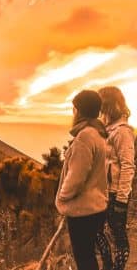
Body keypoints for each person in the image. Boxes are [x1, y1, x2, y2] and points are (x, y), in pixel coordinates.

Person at [56, 90, 109, 270]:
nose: (73, 113)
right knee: (89, 257)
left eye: (74, 109)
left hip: (83, 211)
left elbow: (76, 177)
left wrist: (62, 198)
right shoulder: (98, 133)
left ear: (80, 111)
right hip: (96, 207)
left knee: (84, 260)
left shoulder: (85, 136)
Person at [95, 86, 135, 270]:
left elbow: (128, 166)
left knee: (119, 237)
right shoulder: (107, 129)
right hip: (102, 193)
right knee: (95, 231)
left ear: (110, 105)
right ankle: (108, 266)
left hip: (115, 194)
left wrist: (121, 200)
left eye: (102, 105)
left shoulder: (123, 132)